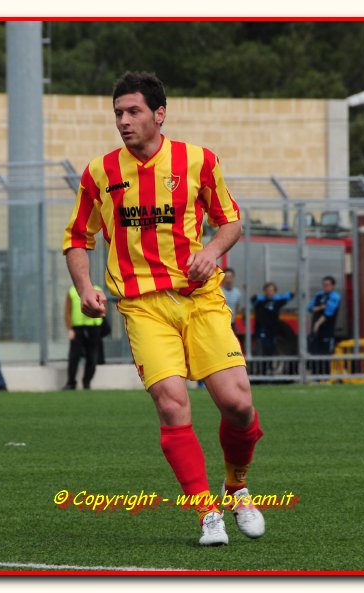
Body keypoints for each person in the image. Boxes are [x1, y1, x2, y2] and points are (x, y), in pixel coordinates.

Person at [62, 71, 264, 546]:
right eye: (118, 113)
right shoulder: (99, 173)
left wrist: (211, 251)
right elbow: (77, 237)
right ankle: (206, 514)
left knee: (238, 405)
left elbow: (231, 221)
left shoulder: (199, 160)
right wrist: (85, 286)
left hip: (201, 300)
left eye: (133, 111)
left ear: (159, 114)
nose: (123, 121)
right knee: (173, 405)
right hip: (143, 307)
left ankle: (236, 486)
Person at [63, 285, 106, 390]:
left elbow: (104, 310)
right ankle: (71, 382)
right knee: (74, 356)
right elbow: (67, 312)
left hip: (94, 327)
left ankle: (87, 382)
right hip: (77, 328)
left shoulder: (98, 290)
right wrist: (70, 328)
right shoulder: (72, 291)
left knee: (92, 356)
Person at [251, 283, 294, 374]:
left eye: (272, 290)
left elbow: (291, 295)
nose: (270, 292)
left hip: (273, 331)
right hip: (262, 330)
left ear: (275, 292)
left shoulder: (277, 302)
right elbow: (252, 299)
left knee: (271, 349)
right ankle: (261, 371)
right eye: (268, 290)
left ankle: (269, 368)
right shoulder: (259, 302)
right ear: (265, 291)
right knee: (263, 349)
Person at [307, 276, 341, 375]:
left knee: (325, 353)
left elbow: (329, 312)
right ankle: (315, 376)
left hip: (327, 330)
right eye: (324, 284)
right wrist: (320, 307)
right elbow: (309, 308)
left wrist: (317, 323)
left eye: (328, 284)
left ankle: (325, 377)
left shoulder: (334, 297)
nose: (325, 286)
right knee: (314, 352)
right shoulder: (319, 295)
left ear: (332, 286)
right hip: (316, 331)